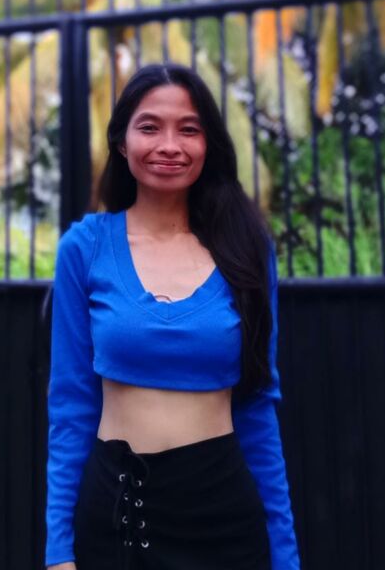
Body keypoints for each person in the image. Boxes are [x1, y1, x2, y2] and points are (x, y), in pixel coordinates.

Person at [46, 62, 299, 570]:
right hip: (117, 517)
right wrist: (58, 551)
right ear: (122, 142)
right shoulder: (85, 247)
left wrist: (285, 557)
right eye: (149, 127)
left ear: (208, 144)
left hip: (222, 516)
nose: (169, 145)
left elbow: (257, 406)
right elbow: (71, 405)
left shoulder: (247, 250)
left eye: (188, 129)